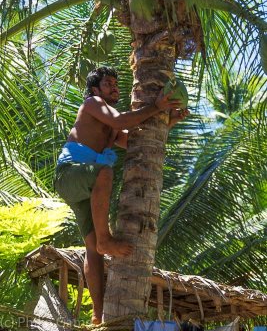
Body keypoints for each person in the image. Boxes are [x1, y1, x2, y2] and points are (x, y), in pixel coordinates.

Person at [54, 66, 189, 324]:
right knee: (105, 172)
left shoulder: (109, 126)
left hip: (82, 187)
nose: (114, 86)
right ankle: (106, 240)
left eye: (116, 83)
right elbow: (120, 120)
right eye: (108, 83)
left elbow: (133, 140)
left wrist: (169, 122)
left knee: (92, 250)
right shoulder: (92, 103)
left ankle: (97, 314)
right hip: (70, 174)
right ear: (95, 89)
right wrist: (159, 106)